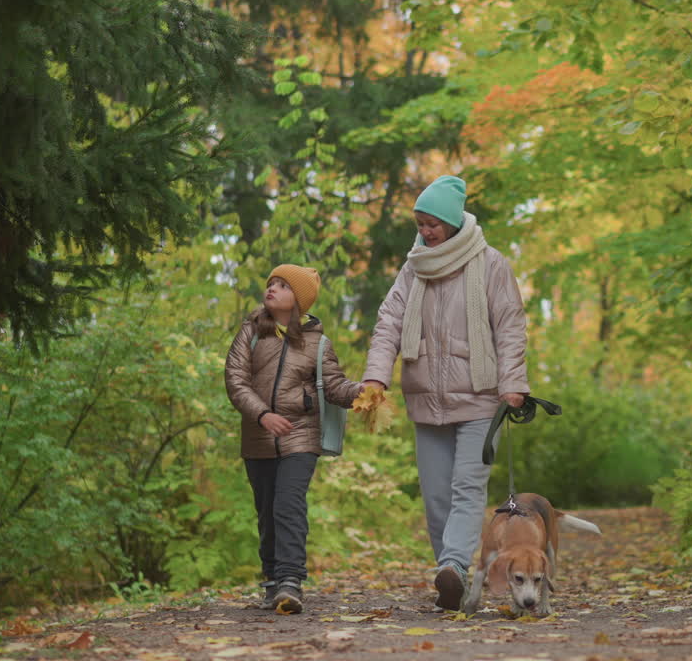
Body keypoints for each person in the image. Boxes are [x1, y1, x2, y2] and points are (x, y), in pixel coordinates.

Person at [362, 175, 530, 611]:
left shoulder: (491, 264)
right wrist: (375, 377)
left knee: (466, 488)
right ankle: (450, 577)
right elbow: (389, 324)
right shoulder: (413, 267)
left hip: (479, 398)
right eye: (419, 223)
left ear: (453, 222)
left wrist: (513, 384)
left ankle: (453, 565)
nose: (425, 232)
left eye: (432, 223)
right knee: (436, 495)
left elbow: (510, 327)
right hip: (426, 399)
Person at [224, 264, 363, 613]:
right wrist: (262, 414)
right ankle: (272, 580)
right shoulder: (250, 333)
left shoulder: (318, 344)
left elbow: (334, 386)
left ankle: (290, 581)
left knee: (288, 504)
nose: (272, 288)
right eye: (271, 282)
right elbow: (235, 380)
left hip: (301, 436)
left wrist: (362, 393)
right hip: (258, 437)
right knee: (267, 512)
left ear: (298, 300)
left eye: (283, 285)